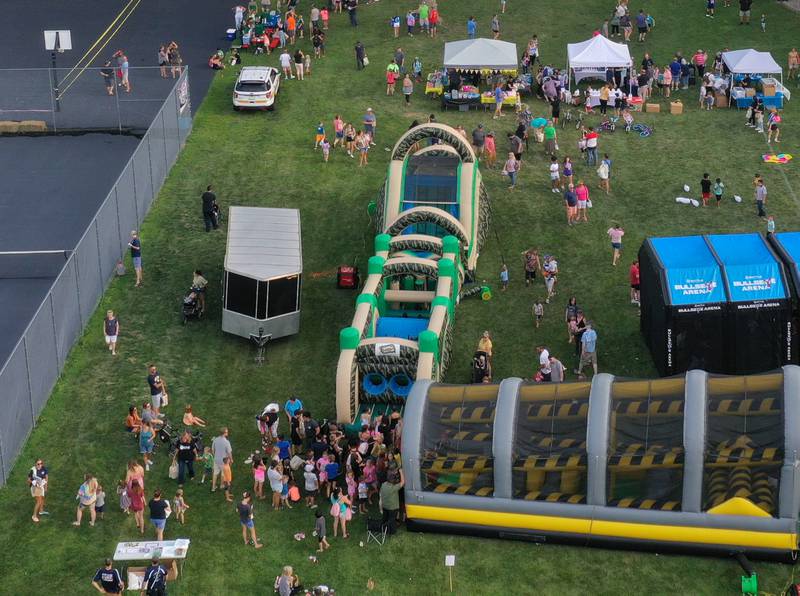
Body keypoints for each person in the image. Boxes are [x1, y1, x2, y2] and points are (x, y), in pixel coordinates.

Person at [379, 468, 404, 534]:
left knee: (385, 518)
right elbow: (403, 482)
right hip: (393, 508)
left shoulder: (383, 484)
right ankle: (392, 531)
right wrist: (401, 471)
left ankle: (383, 528)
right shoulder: (394, 487)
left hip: (385, 506)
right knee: (392, 520)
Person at [211, 427, 233, 492]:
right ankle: (221, 485)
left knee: (215, 473)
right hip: (223, 461)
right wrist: (231, 459)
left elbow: (213, 450)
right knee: (223, 473)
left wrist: (215, 456)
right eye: (227, 432)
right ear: (224, 433)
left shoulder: (215, 440)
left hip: (216, 459)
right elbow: (229, 452)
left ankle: (213, 487)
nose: (228, 433)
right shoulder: (226, 442)